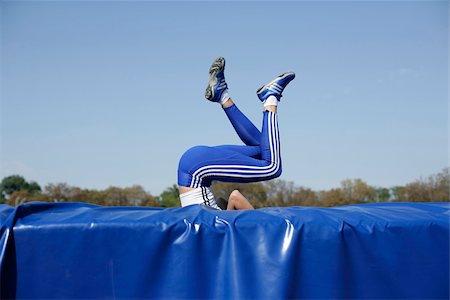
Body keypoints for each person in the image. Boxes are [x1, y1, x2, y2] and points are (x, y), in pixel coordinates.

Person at [177, 57, 295, 210]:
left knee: (272, 167)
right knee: (263, 148)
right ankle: (222, 95)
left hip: (196, 171)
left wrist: (257, 229)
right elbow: (233, 198)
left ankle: (271, 98)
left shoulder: (217, 229)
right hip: (194, 163)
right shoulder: (217, 224)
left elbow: (236, 196)